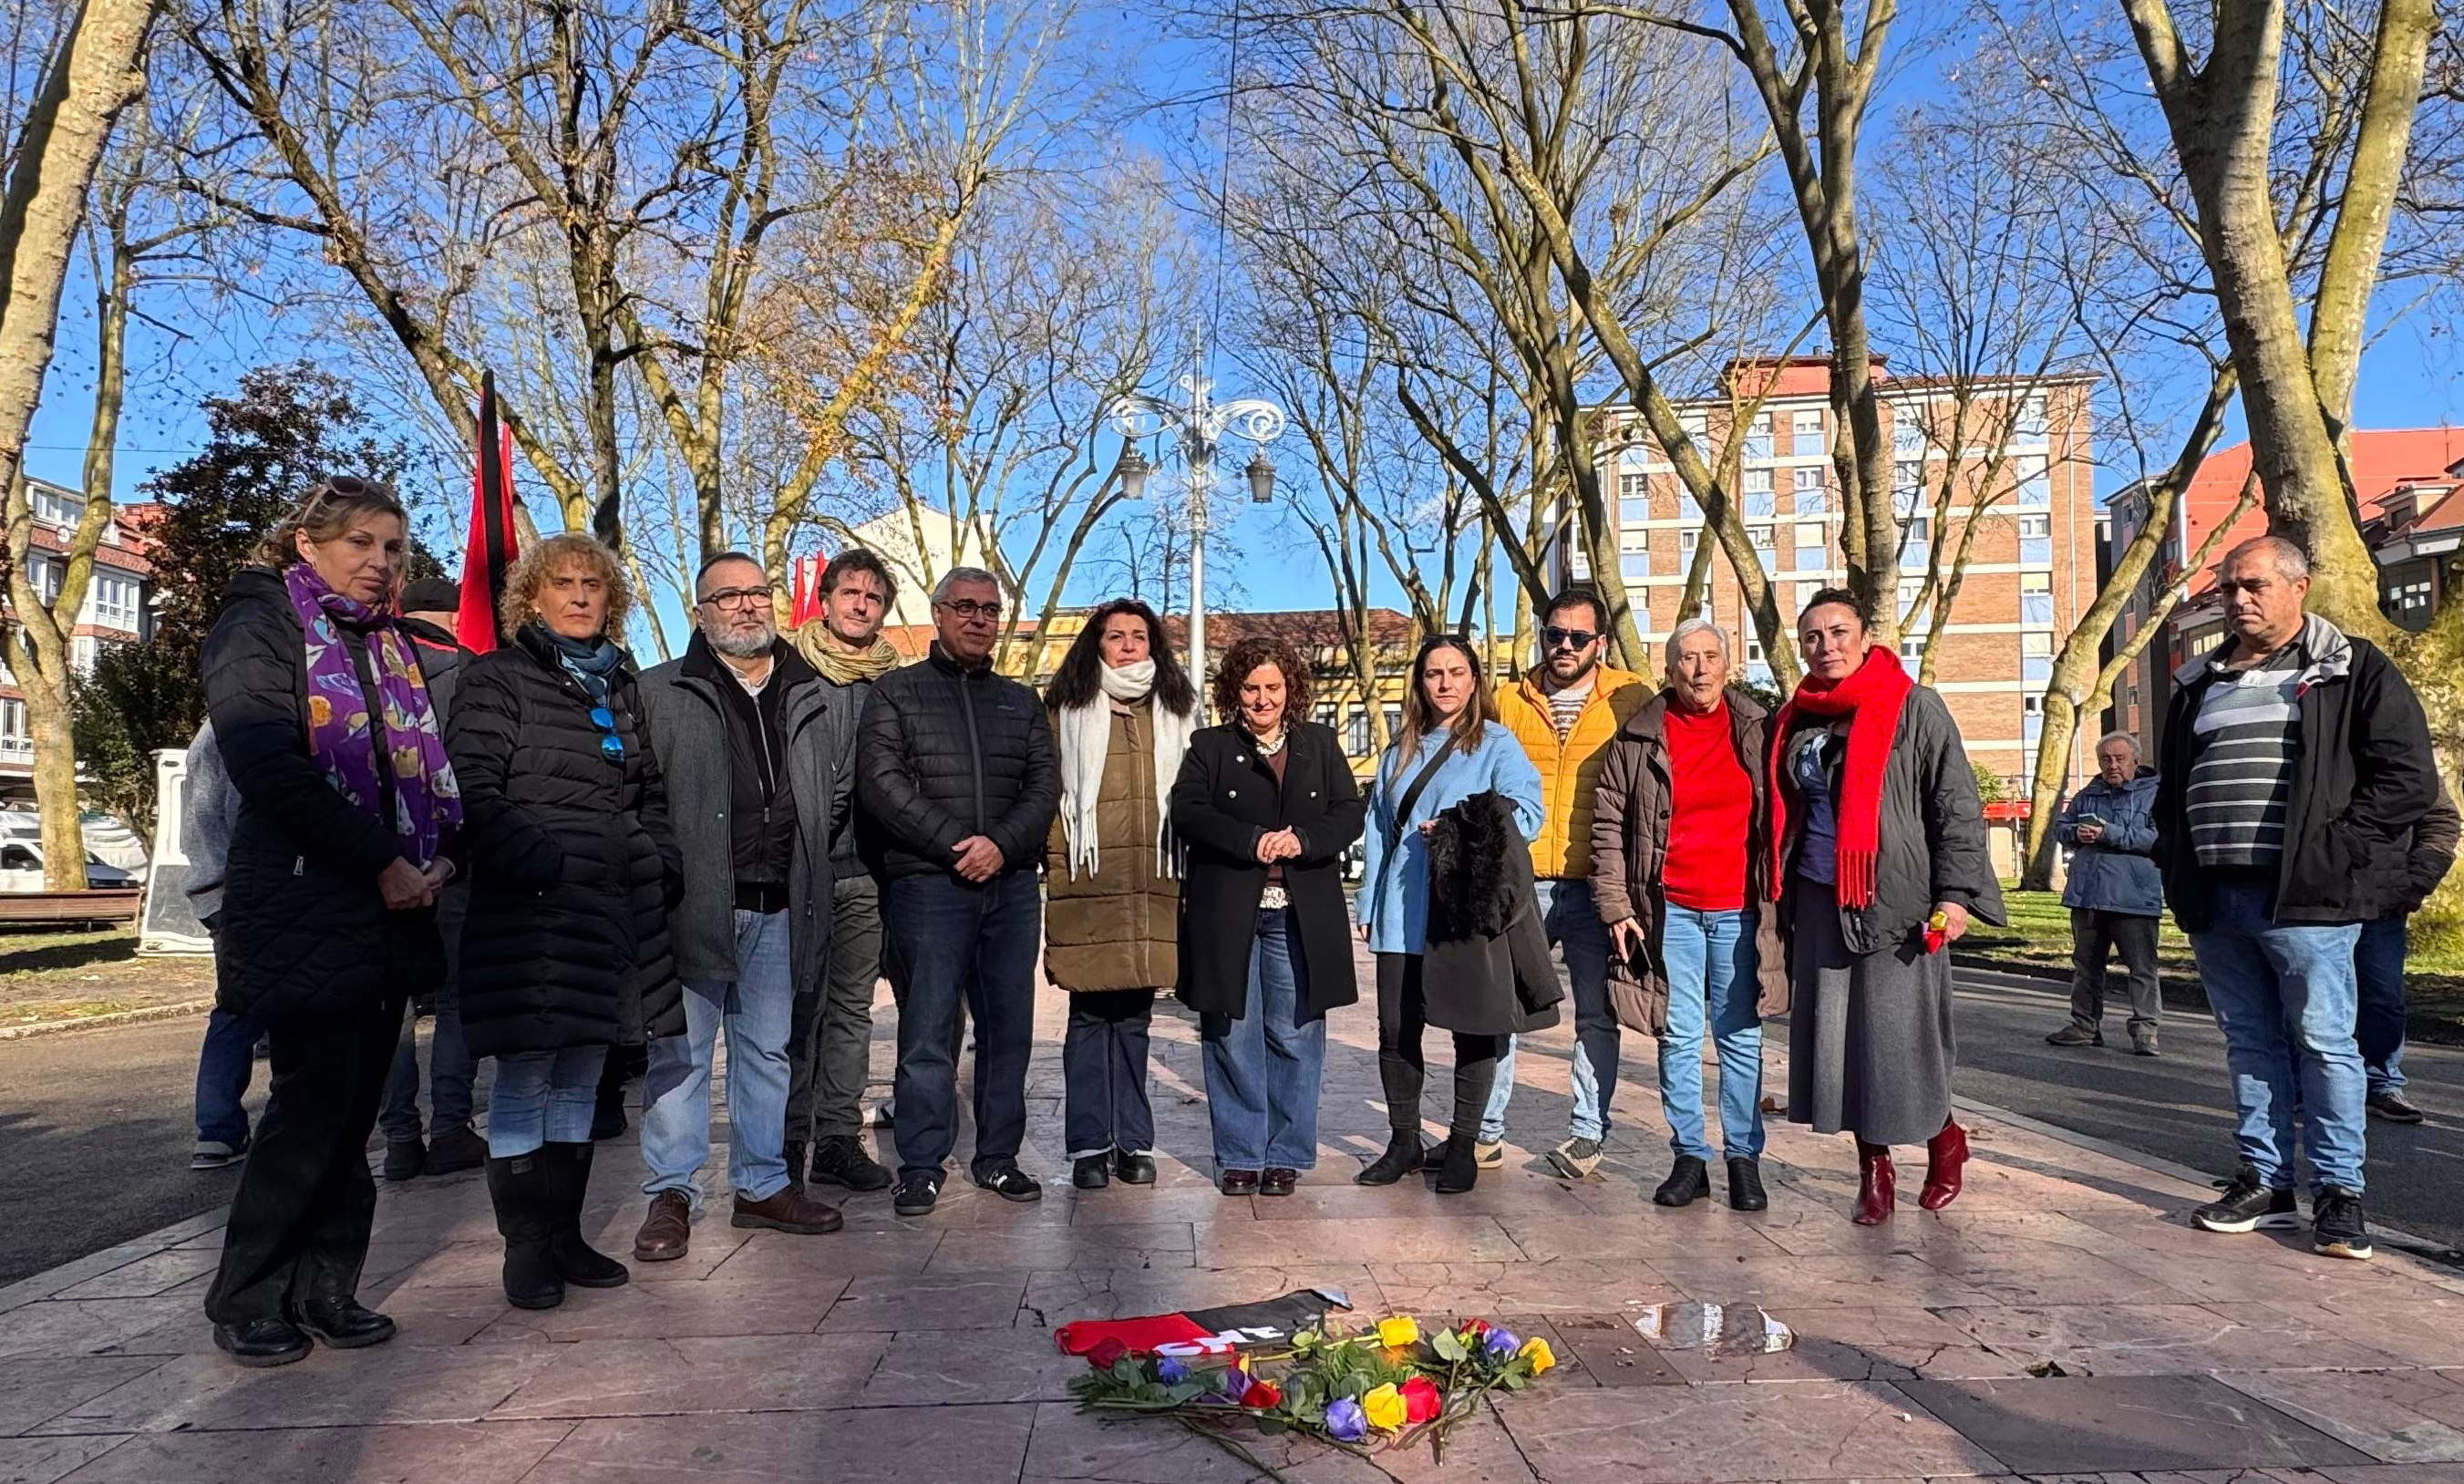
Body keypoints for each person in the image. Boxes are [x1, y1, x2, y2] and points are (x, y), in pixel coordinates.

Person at [199, 477, 457, 1366]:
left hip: (387, 906)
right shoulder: (261, 624)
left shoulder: (384, 642)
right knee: (308, 1109)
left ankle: (325, 1286)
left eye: (393, 547)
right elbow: (267, 764)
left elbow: (417, 770)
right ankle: (248, 1295)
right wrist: (379, 858)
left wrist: (440, 854)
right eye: (360, 542)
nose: (380, 561)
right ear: (306, 543)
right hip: (306, 897)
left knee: (355, 1114)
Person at [2156, 536, 2436, 1260]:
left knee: (2323, 1043)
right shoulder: (2198, 682)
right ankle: (2266, 1182)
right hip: (2215, 897)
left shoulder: (2351, 668)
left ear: (2297, 587)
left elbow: (2407, 779)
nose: (2236, 599)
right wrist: (2173, 862)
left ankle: (2339, 1194)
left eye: (2252, 585)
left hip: (2306, 898)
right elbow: (2170, 790)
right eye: (2227, 588)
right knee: (2248, 1043)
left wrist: (2334, 850)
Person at [449, 534, 682, 1308]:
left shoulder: (619, 684)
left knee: (583, 1072)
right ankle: (526, 1249)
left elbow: (647, 791)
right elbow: (473, 789)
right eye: (562, 583)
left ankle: (565, 1236)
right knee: (526, 1076)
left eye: (593, 584)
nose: (579, 596)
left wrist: (658, 859)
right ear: (532, 597)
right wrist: (543, 861)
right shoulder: (497, 678)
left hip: (610, 908)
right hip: (532, 909)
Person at [630, 553, 850, 1263]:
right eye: (727, 597)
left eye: (757, 593)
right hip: (691, 905)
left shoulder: (812, 692)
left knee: (767, 1053)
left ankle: (761, 1185)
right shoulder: (659, 690)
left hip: (783, 903)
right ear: (700, 613)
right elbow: (639, 796)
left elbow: (834, 794)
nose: (747, 606)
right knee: (681, 1056)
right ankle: (671, 1193)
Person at [1771, 588, 2003, 1226]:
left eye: (1838, 632)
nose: (1826, 646)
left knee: (1902, 1042)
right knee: (1839, 1047)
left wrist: (1955, 896)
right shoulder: (1797, 716)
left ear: (1866, 637)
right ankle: (1873, 1169)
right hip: (1819, 898)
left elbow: (1955, 806)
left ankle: (1943, 1138)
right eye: (1813, 636)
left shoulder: (1914, 706)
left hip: (1897, 904)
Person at [856, 566, 1059, 1217]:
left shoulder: (1020, 702)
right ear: (939, 613)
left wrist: (999, 844)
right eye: (965, 607)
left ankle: (998, 1158)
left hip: (1010, 887)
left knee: (1008, 1032)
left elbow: (1043, 787)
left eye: (990, 609)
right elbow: (882, 784)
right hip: (928, 886)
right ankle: (920, 1164)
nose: (978, 619)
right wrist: (955, 846)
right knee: (927, 1032)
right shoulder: (894, 694)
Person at [1590, 618, 1786, 1211]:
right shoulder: (1637, 737)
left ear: (1727, 665)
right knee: (1676, 1036)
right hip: (1667, 910)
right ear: (1669, 668)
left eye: (1709, 656)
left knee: (1740, 1037)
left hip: (1740, 912)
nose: (1699, 669)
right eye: (1686, 658)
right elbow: (1607, 827)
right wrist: (1616, 906)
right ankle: (1689, 1158)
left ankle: (1743, 1158)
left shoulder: (1760, 729)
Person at [1173, 634, 1366, 1196]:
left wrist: (1303, 839)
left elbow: (1349, 813)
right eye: (1251, 688)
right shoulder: (1209, 746)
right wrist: (1250, 840)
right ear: (1234, 691)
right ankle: (1239, 1154)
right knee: (1231, 1032)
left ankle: (1285, 1154)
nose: (1263, 699)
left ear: (1291, 688)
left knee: (1296, 1033)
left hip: (1299, 912)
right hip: (1228, 912)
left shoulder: (1320, 744)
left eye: (1273, 687)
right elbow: (1188, 812)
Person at [1355, 634, 1545, 1192]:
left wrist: (1461, 827)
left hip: (1464, 908)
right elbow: (1378, 831)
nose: (1445, 683)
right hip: (1401, 909)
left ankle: (1464, 1144)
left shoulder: (1497, 744)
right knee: (1396, 1030)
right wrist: (1368, 900)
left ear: (1474, 679)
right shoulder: (1398, 751)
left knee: (1472, 1028)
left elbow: (1527, 814)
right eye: (1434, 673)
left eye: (1456, 672)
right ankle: (1404, 1141)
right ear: (1420, 682)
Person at [1482, 587, 1648, 1179]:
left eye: (1579, 637)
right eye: (1555, 634)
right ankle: (1484, 1131)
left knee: (1595, 1015)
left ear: (1599, 642)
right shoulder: (1506, 699)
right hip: (1519, 883)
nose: (1565, 646)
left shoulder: (1631, 697)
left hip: (1596, 885)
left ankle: (1587, 1133)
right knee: (1499, 1009)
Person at [1044, 599, 1197, 1189]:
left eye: (1139, 636)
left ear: (1154, 645)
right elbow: (1047, 795)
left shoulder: (1177, 710)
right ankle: (1089, 1146)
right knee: (1087, 1018)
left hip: (1155, 883)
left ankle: (1133, 1141)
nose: (1129, 646)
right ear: (1096, 644)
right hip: (1088, 882)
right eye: (1116, 636)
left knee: (1134, 1020)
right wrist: (1058, 860)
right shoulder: (1065, 709)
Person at [787, 548, 903, 1190]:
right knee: (797, 1009)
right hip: (798, 868)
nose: (861, 605)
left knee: (852, 1009)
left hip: (865, 869)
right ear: (826, 601)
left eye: (873, 597)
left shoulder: (895, 682)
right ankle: (785, 1142)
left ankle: (836, 1137)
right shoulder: (787, 670)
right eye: (850, 593)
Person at [376, 576, 487, 1180]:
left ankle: (399, 1140)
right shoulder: (470, 674)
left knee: (390, 1003)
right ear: (453, 619)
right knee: (454, 998)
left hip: (378, 860)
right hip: (450, 859)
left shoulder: (372, 663)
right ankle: (450, 1128)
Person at [2046, 732, 2165, 1056]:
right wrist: (2076, 832)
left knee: (2142, 969)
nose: (2112, 765)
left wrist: (2107, 833)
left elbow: (2158, 840)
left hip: (2133, 898)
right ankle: (2084, 1026)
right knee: (2086, 966)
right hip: (2088, 896)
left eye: (2119, 759)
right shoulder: (2088, 794)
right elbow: (2061, 827)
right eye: (2105, 759)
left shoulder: (2155, 795)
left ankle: (2145, 1032)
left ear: (2136, 760)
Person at [181, 720, 257, 1172]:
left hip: (214, 891)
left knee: (235, 1007)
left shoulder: (205, 736)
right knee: (275, 1006)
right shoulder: (243, 723)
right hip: (245, 890)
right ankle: (223, 1128)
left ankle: (216, 1131)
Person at [2356, 788, 2458, 1123]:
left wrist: (2418, 881)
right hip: (2312, 900)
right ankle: (2303, 1086)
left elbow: (2441, 818)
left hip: (2382, 903)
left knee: (2383, 998)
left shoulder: (2407, 758)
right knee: (2307, 999)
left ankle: (2381, 1084)